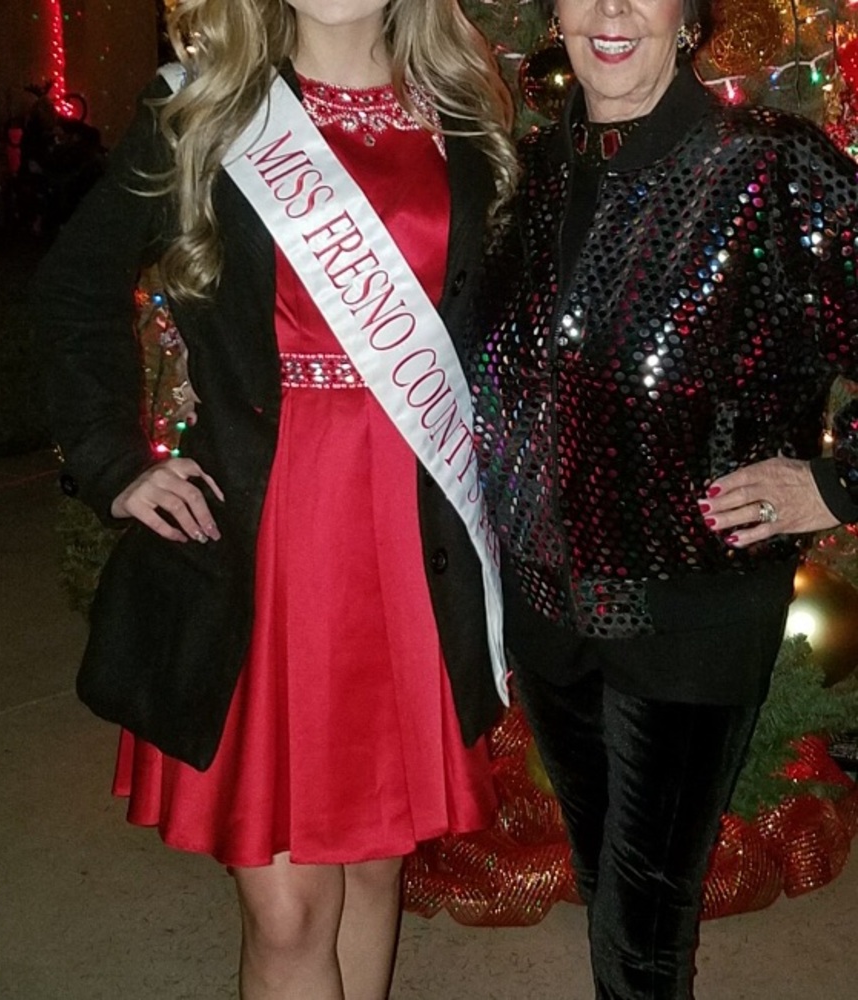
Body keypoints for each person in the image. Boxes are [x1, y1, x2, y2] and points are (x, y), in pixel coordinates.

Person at [33, 2, 517, 997]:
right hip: (273, 528)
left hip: (410, 522)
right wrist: (115, 462)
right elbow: (73, 287)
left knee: (376, 861)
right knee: (289, 904)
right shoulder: (202, 109)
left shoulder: (464, 113)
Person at [470, 0, 858, 996]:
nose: (610, 10)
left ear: (687, 17)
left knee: (643, 930)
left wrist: (831, 483)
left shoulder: (772, 170)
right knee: (607, 885)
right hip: (549, 614)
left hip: (690, 610)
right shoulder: (531, 172)